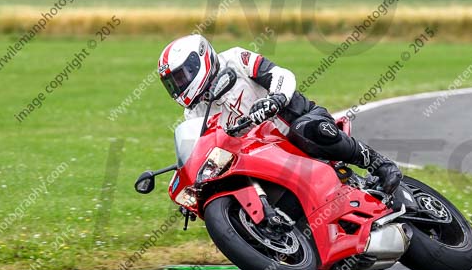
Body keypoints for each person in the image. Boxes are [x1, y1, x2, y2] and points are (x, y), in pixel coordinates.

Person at [157, 34, 402, 194]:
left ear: (198, 62)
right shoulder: (194, 112)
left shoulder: (234, 58)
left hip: (296, 119)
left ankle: (378, 163)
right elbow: (205, 150)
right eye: (173, 83)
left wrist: (275, 98)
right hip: (264, 153)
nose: (179, 86)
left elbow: (280, 74)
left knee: (308, 130)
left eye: (181, 77)